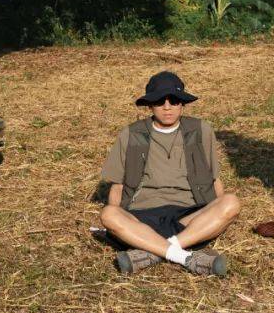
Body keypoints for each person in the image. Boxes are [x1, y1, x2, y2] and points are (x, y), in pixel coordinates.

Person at [97, 71, 241, 276]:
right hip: (142, 217)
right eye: (159, 101)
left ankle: (152, 252)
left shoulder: (201, 131)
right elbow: (118, 186)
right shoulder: (131, 134)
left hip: (189, 216)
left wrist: (217, 216)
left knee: (231, 202)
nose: (167, 107)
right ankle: (185, 256)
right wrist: (119, 225)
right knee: (109, 214)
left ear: (182, 104)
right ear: (150, 105)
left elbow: (214, 179)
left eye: (174, 100)